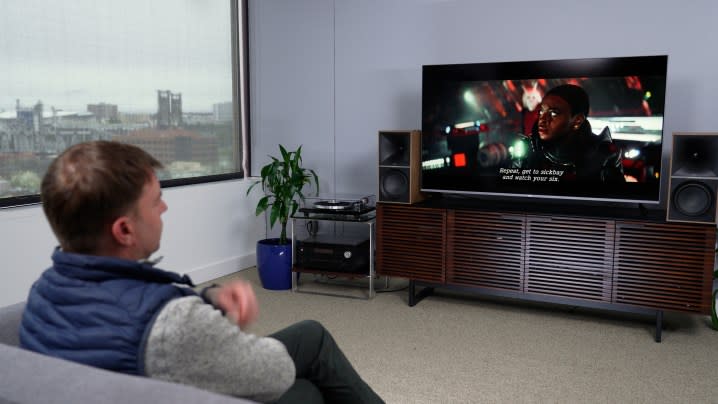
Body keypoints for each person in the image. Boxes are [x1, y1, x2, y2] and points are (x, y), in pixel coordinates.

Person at [19, 140, 384, 404]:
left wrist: (209, 301)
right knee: (306, 391)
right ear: (124, 230)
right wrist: (221, 331)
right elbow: (273, 374)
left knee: (311, 335)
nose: (163, 208)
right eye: (155, 200)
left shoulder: (43, 293)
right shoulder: (173, 324)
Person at [514, 84, 625, 182]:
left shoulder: (605, 155)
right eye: (542, 111)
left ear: (577, 121)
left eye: (553, 113)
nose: (542, 120)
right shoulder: (527, 149)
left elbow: (617, 200)